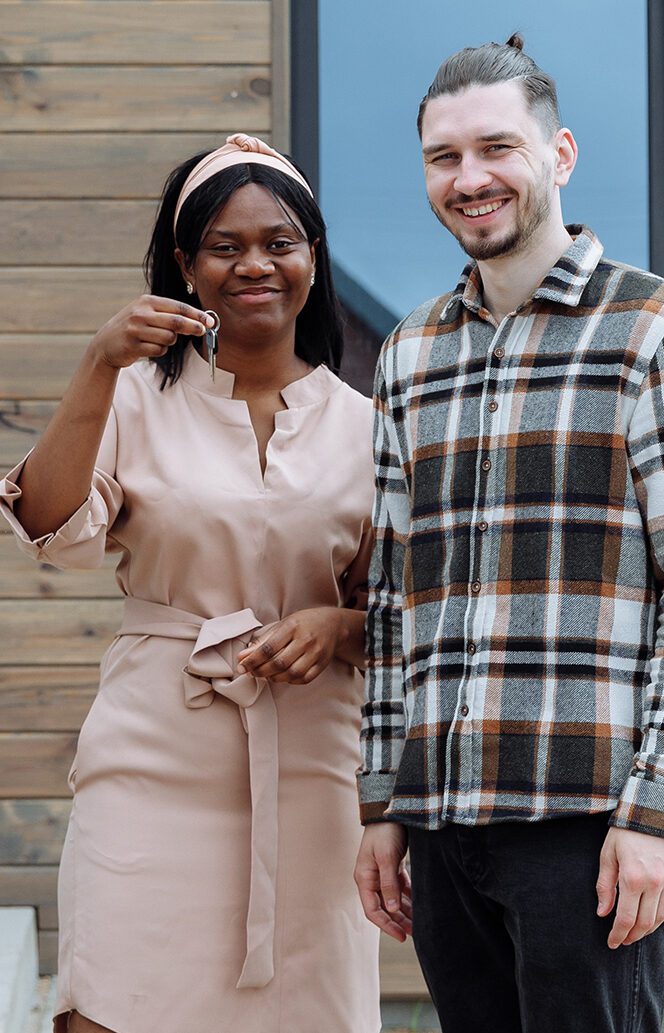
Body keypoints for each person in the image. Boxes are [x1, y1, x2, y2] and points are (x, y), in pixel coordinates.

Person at [354, 36, 664, 1033]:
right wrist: (382, 802)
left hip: (584, 823)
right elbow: (395, 597)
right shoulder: (408, 354)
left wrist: (658, 812)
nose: (470, 177)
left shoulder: (656, 330)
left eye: (496, 148)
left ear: (559, 155)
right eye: (445, 158)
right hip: (443, 819)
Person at [1, 134, 380, 1033]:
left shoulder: (368, 424)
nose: (255, 263)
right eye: (225, 245)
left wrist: (333, 625)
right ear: (186, 266)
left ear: (313, 259)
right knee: (110, 1001)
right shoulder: (133, 396)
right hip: (151, 756)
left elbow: (395, 606)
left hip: (310, 764)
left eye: (279, 242)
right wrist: (98, 362)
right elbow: (50, 527)